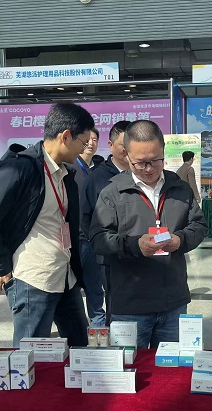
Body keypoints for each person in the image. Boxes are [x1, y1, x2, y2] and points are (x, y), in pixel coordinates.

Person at [0, 103, 95, 347]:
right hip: (32, 279)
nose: (85, 148)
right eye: (83, 141)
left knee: (79, 347)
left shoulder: (64, 174)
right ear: (66, 136)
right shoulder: (20, 167)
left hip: (64, 276)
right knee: (29, 355)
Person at [89, 120, 207, 348]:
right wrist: (134, 245)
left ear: (163, 150)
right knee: (130, 365)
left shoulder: (180, 188)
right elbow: (98, 239)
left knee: (172, 367)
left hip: (173, 301)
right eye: (140, 163)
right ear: (126, 155)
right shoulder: (112, 193)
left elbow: (199, 226)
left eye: (155, 160)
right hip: (130, 305)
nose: (149, 169)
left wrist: (180, 240)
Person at [81, 121, 131, 326]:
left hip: (141, 253)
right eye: (123, 145)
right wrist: (102, 243)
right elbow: (86, 217)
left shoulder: (142, 174)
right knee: (116, 306)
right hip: (111, 256)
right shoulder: (98, 178)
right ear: (110, 145)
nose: (129, 150)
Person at [67, 128, 105, 327]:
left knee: (94, 285)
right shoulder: (69, 167)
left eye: (95, 139)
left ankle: (98, 323)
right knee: (74, 285)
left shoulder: (96, 170)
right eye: (87, 139)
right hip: (75, 237)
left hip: (92, 237)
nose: (91, 143)